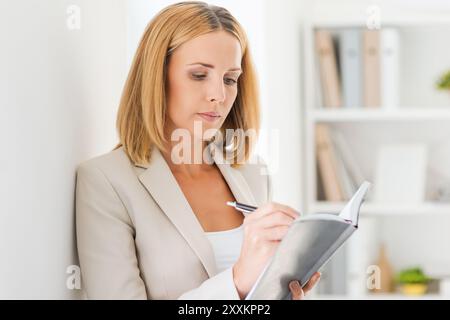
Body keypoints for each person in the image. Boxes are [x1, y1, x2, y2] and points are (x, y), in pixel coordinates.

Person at [75, 1, 320, 300]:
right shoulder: (105, 181)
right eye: (199, 75)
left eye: (230, 79)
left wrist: (280, 291)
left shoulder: (254, 174)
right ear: (157, 76)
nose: (219, 95)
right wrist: (237, 281)